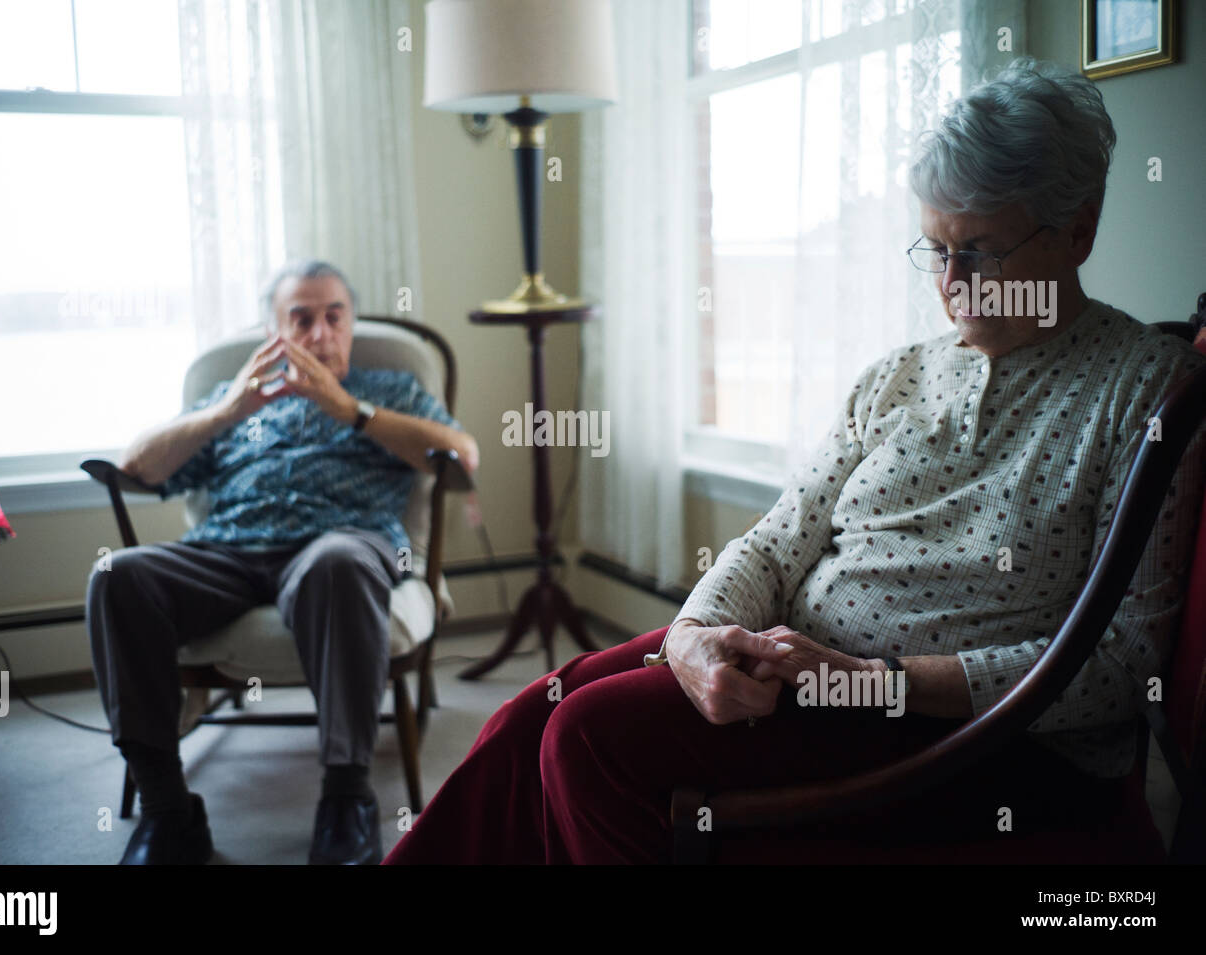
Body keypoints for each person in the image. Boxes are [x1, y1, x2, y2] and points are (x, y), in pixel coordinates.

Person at [383, 58, 1206, 864]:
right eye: (933, 249)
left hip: (968, 736)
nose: (953, 284)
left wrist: (871, 679)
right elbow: (777, 541)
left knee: (585, 741)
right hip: (792, 667)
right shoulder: (896, 376)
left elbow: (1121, 668)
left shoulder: (1144, 389)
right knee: (531, 712)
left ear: (1079, 228)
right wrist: (695, 636)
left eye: (982, 251)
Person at [87, 260, 479, 865]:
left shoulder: (388, 392)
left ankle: (346, 800)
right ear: (274, 333)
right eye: (301, 319)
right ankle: (169, 812)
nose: (320, 333)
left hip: (339, 546)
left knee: (339, 561)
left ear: (351, 324)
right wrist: (227, 411)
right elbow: (134, 466)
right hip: (226, 553)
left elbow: (462, 456)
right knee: (118, 575)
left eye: (334, 316)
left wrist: (351, 409)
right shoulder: (236, 399)